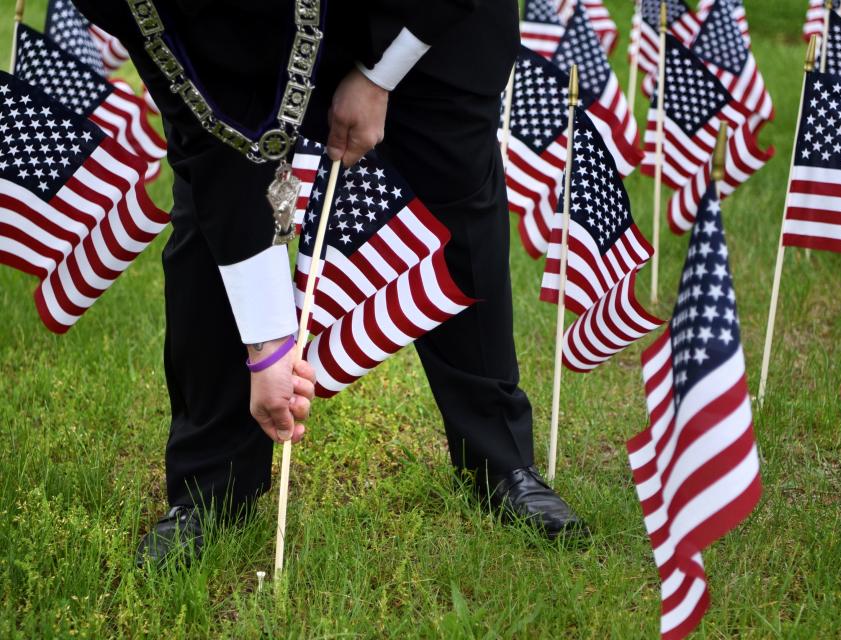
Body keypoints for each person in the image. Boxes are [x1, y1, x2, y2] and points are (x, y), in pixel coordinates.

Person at [70, 0, 588, 566]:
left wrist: (379, 75)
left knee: (454, 197)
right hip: (254, 33)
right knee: (213, 224)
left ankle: (499, 461)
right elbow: (212, 132)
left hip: (429, 23)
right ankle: (210, 487)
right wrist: (266, 345)